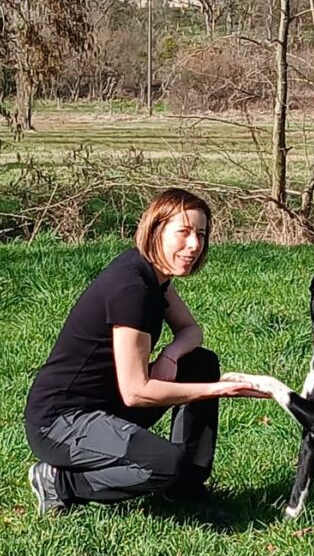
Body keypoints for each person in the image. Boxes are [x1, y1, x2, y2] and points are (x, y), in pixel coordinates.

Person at [24, 188, 260, 515]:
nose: (194, 245)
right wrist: (216, 390)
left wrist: (170, 355)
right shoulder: (131, 289)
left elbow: (191, 331)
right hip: (60, 422)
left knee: (200, 361)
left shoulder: (154, 276)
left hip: (107, 404)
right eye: (184, 232)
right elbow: (136, 392)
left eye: (201, 234)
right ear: (156, 230)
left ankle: (186, 488)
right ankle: (59, 482)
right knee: (164, 464)